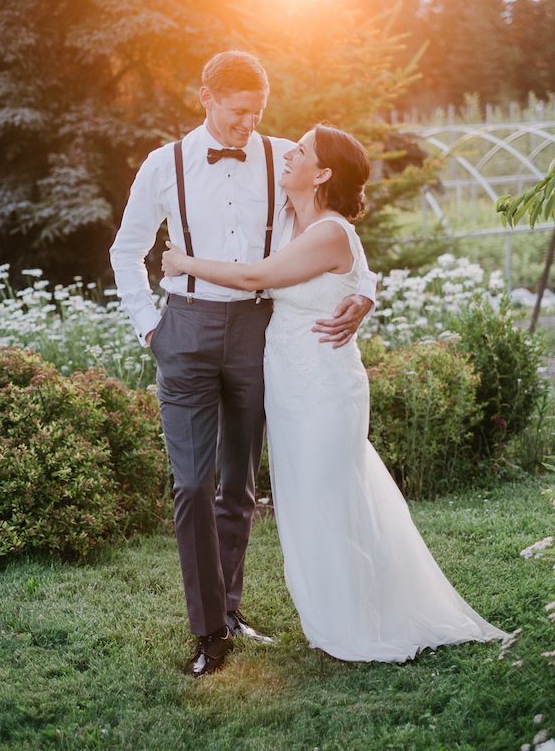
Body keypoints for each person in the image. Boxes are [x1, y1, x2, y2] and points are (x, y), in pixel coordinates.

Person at [161, 123, 507, 661]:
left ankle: (359, 620)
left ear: (321, 172)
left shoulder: (329, 230)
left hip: (322, 383)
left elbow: (255, 278)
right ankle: (341, 607)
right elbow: (356, 274)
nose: (287, 154)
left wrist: (182, 265)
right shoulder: (288, 214)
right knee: (308, 502)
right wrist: (364, 292)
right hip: (290, 384)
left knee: (330, 500)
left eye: (300, 151)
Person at [110, 51, 375, 678]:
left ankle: (230, 611)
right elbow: (126, 249)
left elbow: (337, 233)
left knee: (239, 485)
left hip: (260, 333)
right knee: (193, 484)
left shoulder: (283, 157)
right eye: (236, 114)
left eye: (256, 114)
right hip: (185, 329)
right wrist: (148, 325)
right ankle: (207, 633)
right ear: (204, 97)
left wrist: (364, 294)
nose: (246, 127)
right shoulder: (162, 165)